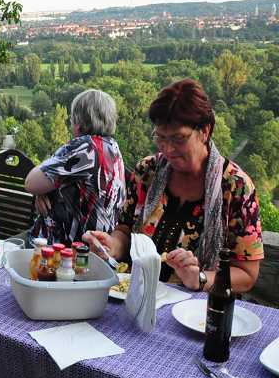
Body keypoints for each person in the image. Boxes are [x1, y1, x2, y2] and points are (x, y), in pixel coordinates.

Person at [84, 79, 263, 293]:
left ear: (205, 131)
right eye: (160, 138)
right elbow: (125, 230)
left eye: (179, 139)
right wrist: (112, 245)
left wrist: (200, 278)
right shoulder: (147, 171)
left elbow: (247, 274)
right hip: (136, 295)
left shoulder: (236, 187)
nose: (167, 149)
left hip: (197, 307)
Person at [25, 89, 126, 244]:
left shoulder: (86, 148)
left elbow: (31, 182)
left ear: (78, 122)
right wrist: (44, 191)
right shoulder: (112, 147)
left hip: (67, 249)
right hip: (97, 244)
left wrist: (42, 189)